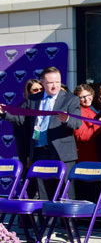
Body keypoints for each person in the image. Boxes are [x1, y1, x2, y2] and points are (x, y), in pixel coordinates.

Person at [0, 67, 82, 200]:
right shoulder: (34, 99)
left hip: (62, 153)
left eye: (57, 82)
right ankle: (47, 221)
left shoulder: (70, 99)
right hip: (40, 152)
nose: (55, 86)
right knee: (44, 193)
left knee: (65, 194)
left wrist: (67, 119)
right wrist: (4, 113)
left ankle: (69, 221)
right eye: (50, 83)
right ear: (43, 82)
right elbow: (21, 119)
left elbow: (77, 122)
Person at [72, 84, 101, 200]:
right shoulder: (78, 111)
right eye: (82, 97)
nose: (86, 99)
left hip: (97, 157)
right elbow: (82, 136)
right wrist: (99, 124)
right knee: (87, 194)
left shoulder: (94, 108)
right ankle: (85, 218)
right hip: (86, 159)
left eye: (88, 95)